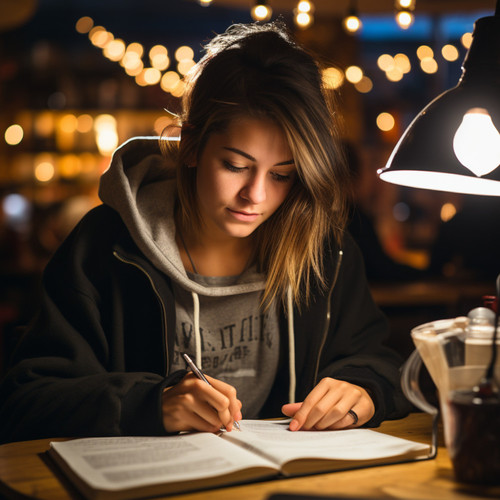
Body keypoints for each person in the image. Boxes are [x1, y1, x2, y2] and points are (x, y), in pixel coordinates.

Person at [0, 21, 410, 443]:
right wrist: (151, 404)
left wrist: (365, 389)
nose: (256, 195)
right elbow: (25, 401)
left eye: (283, 175)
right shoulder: (106, 246)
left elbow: (381, 364)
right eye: (235, 166)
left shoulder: (325, 252)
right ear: (191, 144)